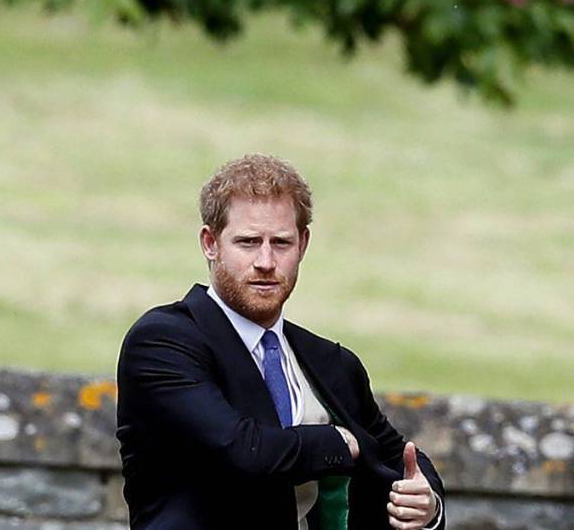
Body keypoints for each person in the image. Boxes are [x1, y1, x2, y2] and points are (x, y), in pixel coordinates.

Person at [116, 154, 445, 529]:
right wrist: (338, 443)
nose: (266, 261)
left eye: (281, 243)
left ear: (303, 244)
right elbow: (242, 450)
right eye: (248, 242)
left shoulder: (331, 362)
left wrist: (427, 504)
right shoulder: (162, 342)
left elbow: (398, 455)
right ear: (210, 243)